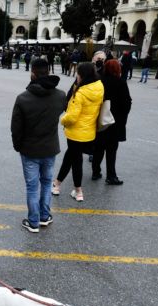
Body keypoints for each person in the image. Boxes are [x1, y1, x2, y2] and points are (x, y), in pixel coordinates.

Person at [11, 58, 66, 233]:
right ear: (48, 71)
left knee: (32, 186)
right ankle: (44, 216)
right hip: (50, 148)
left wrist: (18, 146)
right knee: (47, 182)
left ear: (33, 73)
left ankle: (33, 221)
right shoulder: (60, 96)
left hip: (29, 149)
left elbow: (16, 128)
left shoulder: (23, 98)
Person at [52, 62, 104, 202]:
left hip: (76, 133)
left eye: (78, 74)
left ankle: (78, 190)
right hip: (89, 131)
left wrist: (62, 120)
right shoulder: (98, 87)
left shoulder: (81, 93)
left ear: (82, 75)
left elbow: (72, 117)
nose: (77, 77)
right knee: (70, 156)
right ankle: (57, 183)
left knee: (76, 161)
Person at [91, 59, 131, 186]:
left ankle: (96, 171)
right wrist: (122, 116)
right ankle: (111, 175)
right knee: (111, 149)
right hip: (115, 120)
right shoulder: (121, 82)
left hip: (100, 119)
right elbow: (127, 103)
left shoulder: (99, 82)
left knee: (99, 147)